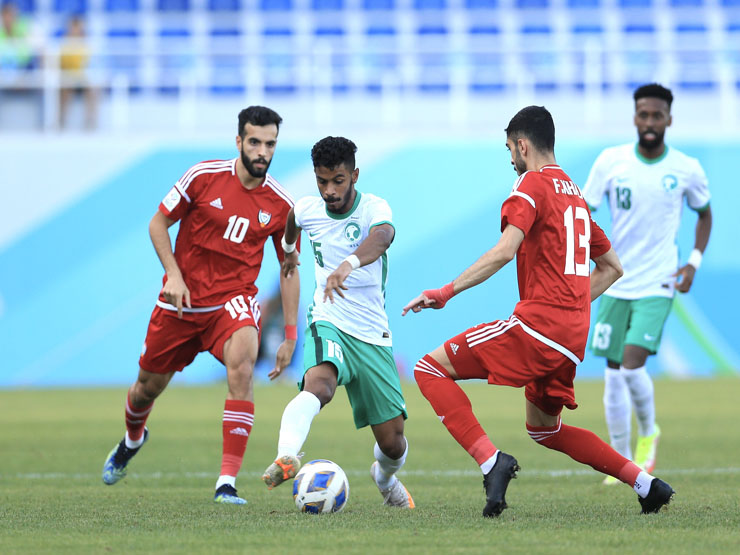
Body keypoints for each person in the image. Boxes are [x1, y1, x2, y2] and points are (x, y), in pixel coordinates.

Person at [403, 106, 675, 517]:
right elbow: (613, 268)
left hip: (539, 326)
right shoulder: (576, 195)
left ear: (523, 144)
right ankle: (646, 484)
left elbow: (504, 251)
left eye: (510, 148)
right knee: (544, 429)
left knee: (429, 369)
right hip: (570, 337)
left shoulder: (530, 183)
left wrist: (446, 292)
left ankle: (491, 461)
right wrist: (573, 304)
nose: (510, 158)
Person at [102, 106, 300, 505]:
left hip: (233, 303)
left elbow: (289, 268)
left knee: (243, 364)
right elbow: (158, 223)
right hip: (181, 303)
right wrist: (173, 274)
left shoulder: (281, 206)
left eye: (270, 144)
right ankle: (133, 438)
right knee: (146, 388)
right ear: (239, 141)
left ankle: (226, 483)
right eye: (255, 142)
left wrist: (290, 334)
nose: (263, 151)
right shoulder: (203, 176)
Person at [261, 136, 414, 508]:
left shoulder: (373, 208)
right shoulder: (307, 210)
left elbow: (382, 238)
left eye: (338, 181)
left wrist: (348, 264)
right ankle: (287, 456)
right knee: (321, 385)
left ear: (355, 175)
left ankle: (385, 477)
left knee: (392, 443)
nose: (329, 191)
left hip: (372, 332)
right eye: (322, 181)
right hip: (327, 317)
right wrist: (288, 252)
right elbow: (291, 225)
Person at [582, 83, 712, 485]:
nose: (650, 122)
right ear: (635, 117)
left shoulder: (686, 168)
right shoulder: (610, 162)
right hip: (614, 280)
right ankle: (621, 460)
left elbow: (705, 214)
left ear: (669, 119)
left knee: (632, 365)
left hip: (658, 281)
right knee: (611, 373)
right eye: (644, 115)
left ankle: (649, 433)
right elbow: (584, 211)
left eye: (657, 115)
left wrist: (692, 262)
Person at [59, 15, 97, 130]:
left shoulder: (87, 44)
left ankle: (90, 122)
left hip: (82, 78)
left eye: (78, 27)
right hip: (67, 78)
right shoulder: (63, 44)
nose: (75, 30)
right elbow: (61, 64)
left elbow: (91, 64)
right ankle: (61, 122)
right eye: (73, 27)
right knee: (65, 88)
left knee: (94, 89)